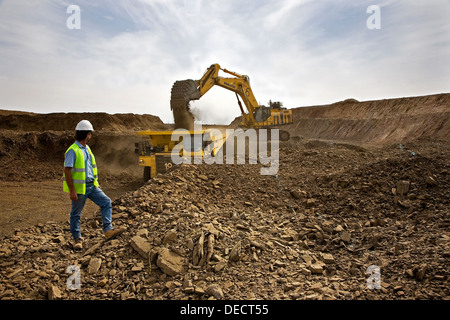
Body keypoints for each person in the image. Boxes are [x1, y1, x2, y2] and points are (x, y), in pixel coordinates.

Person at [63, 120, 125, 250]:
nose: (90, 136)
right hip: (80, 188)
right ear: (87, 134)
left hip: (92, 186)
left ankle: (108, 230)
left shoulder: (87, 149)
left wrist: (96, 183)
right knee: (76, 214)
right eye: (90, 133)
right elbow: (67, 171)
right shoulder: (72, 150)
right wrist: (72, 191)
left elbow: (90, 169)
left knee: (106, 202)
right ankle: (77, 239)